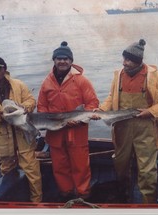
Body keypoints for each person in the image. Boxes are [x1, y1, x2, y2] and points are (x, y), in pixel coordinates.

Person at [95, 39, 158, 203]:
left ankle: (149, 201)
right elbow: (112, 97)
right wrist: (102, 110)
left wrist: (151, 111)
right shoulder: (118, 75)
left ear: (138, 61)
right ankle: (122, 194)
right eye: (123, 58)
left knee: (147, 168)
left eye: (128, 60)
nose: (124, 63)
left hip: (146, 128)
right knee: (120, 162)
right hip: (121, 127)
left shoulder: (156, 76)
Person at [0, 54, 42, 202]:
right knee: (7, 169)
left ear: (4, 68)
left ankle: (37, 201)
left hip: (23, 132)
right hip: (2, 137)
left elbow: (31, 100)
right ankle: (9, 201)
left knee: (31, 168)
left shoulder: (18, 84)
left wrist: (25, 107)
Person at [37, 41, 99, 201]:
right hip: (55, 133)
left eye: (66, 58)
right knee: (59, 166)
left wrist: (78, 120)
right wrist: (49, 120)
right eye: (59, 58)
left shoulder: (81, 80)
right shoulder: (46, 82)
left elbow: (93, 104)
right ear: (54, 61)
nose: (62, 61)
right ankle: (65, 195)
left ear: (71, 61)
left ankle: (83, 195)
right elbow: (41, 107)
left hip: (77, 132)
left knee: (80, 166)